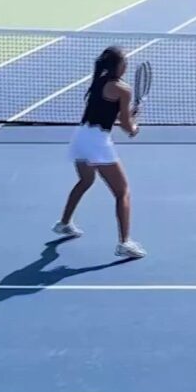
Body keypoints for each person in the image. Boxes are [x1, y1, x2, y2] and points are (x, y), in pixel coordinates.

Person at [53, 47, 147, 259]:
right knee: (122, 192)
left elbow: (106, 114)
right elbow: (125, 124)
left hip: (80, 138)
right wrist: (134, 127)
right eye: (125, 62)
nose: (127, 66)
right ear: (118, 65)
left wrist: (128, 117)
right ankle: (125, 243)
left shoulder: (99, 81)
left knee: (85, 181)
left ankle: (64, 223)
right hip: (97, 142)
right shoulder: (124, 89)